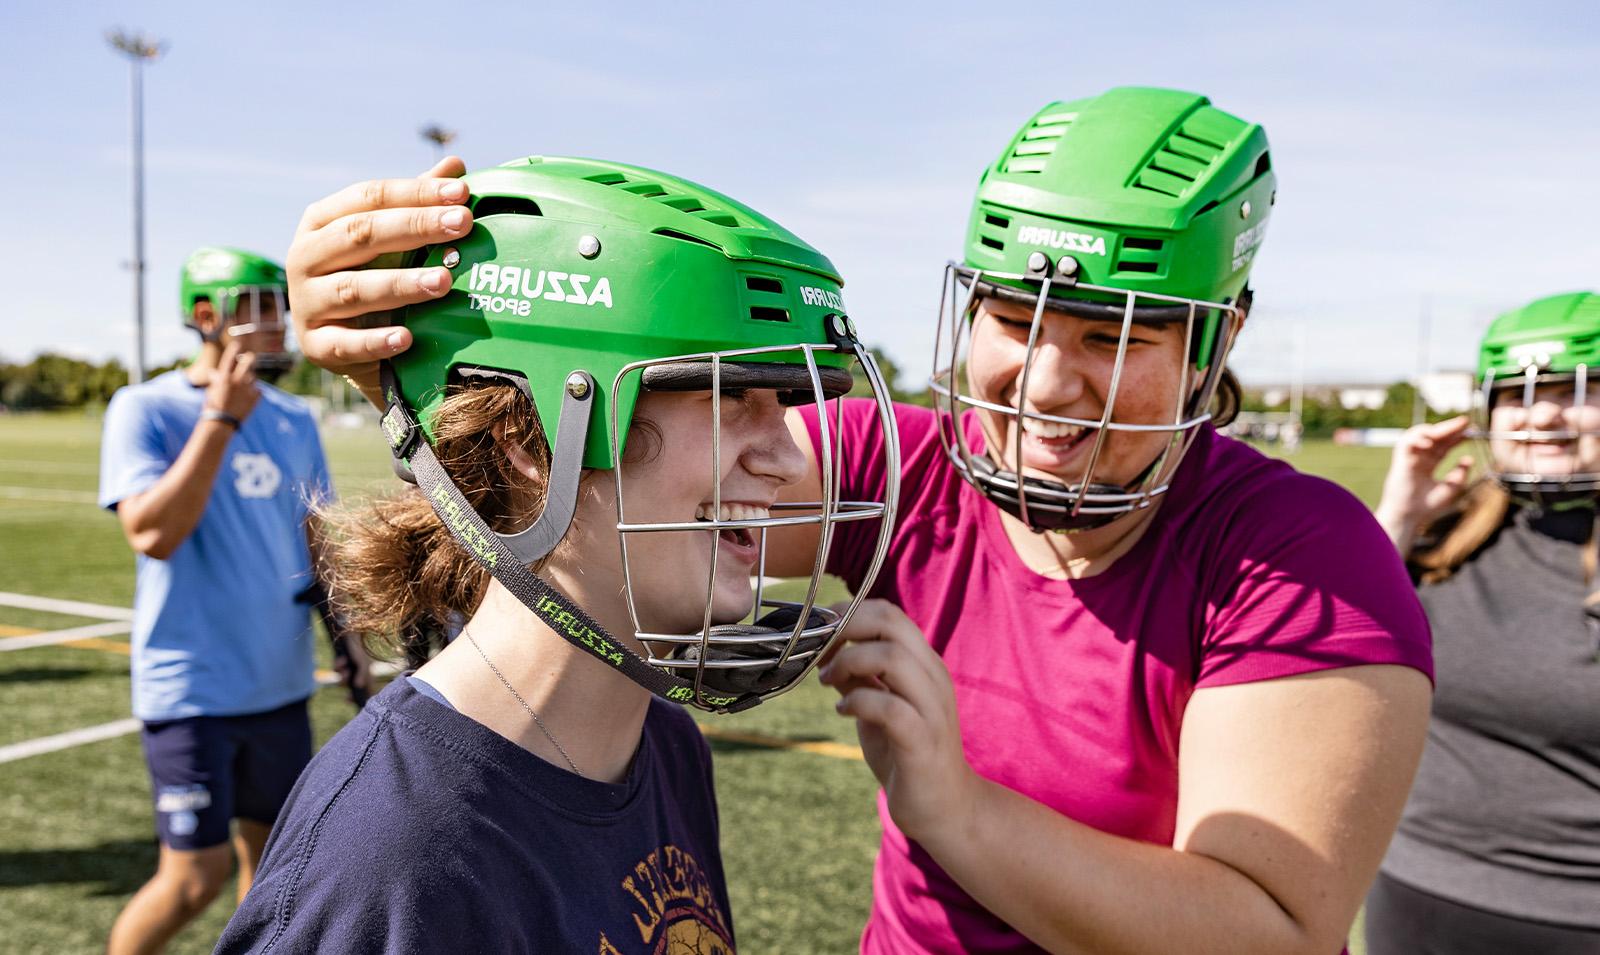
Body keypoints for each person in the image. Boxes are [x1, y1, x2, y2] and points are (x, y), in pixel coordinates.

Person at [282, 88, 1435, 955]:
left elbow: (1275, 930)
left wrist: (958, 811)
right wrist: (433, 363)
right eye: (1013, 313)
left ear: (1215, 340)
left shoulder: (1299, 557)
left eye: (1110, 333)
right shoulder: (911, 464)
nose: (1043, 380)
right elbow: (624, 494)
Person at [216, 156, 898, 953]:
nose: (789, 462)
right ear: (527, 435)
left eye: (782, 405)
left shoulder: (664, 743)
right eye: (727, 396)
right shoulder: (390, 864)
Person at [99, 248, 336, 955]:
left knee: (273, 882)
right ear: (206, 315)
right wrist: (221, 419)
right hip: (191, 687)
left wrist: (350, 648)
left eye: (280, 307)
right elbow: (152, 532)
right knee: (193, 878)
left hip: (280, 684)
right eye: (259, 306)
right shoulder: (144, 407)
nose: (278, 323)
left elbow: (317, 544)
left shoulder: (296, 418)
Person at [1366, 291, 1600, 954]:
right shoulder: (1444, 537)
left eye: (1574, 389)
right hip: (1417, 895)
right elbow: (1324, 656)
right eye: (1518, 393)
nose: (1543, 414)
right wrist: (1400, 517)